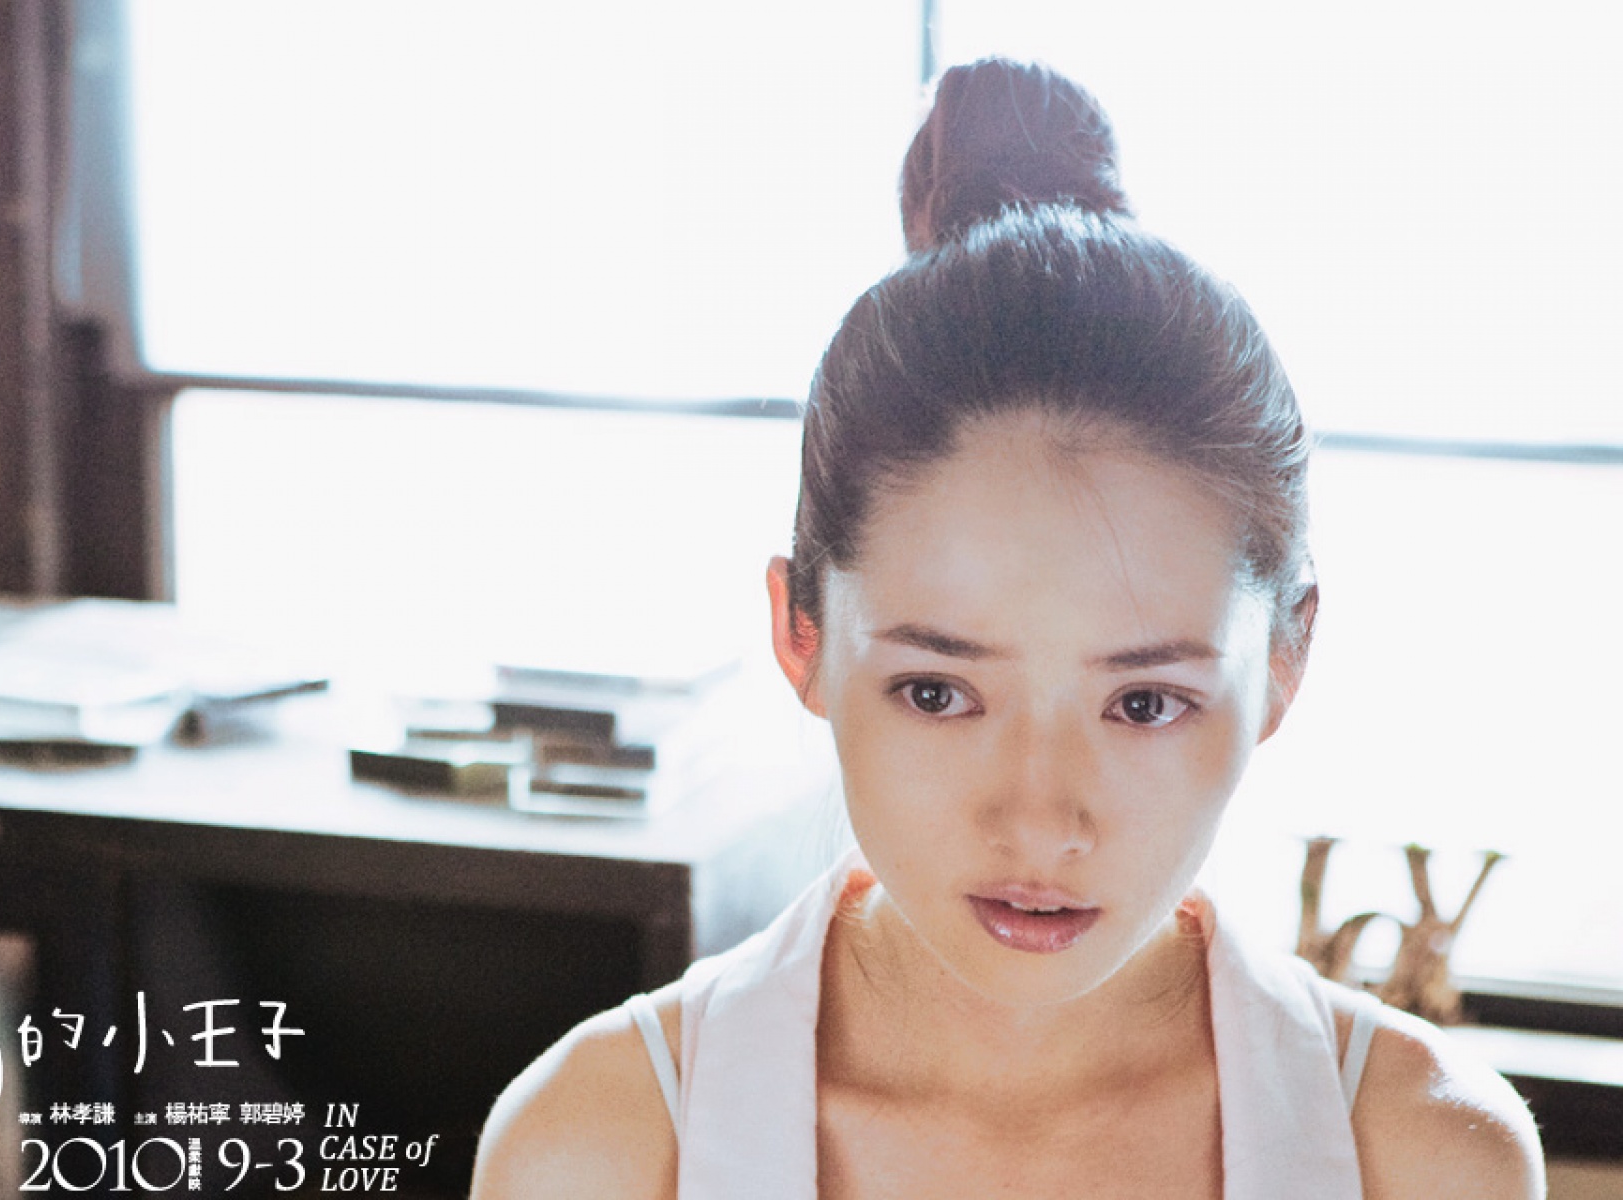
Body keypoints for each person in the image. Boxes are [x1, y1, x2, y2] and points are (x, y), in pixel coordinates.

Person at [471, 58, 1544, 1199]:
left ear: (1286, 661)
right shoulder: (596, 1145)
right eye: (938, 692)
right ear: (801, 633)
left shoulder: (1428, 1158)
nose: (1039, 821)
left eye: (1143, 704)